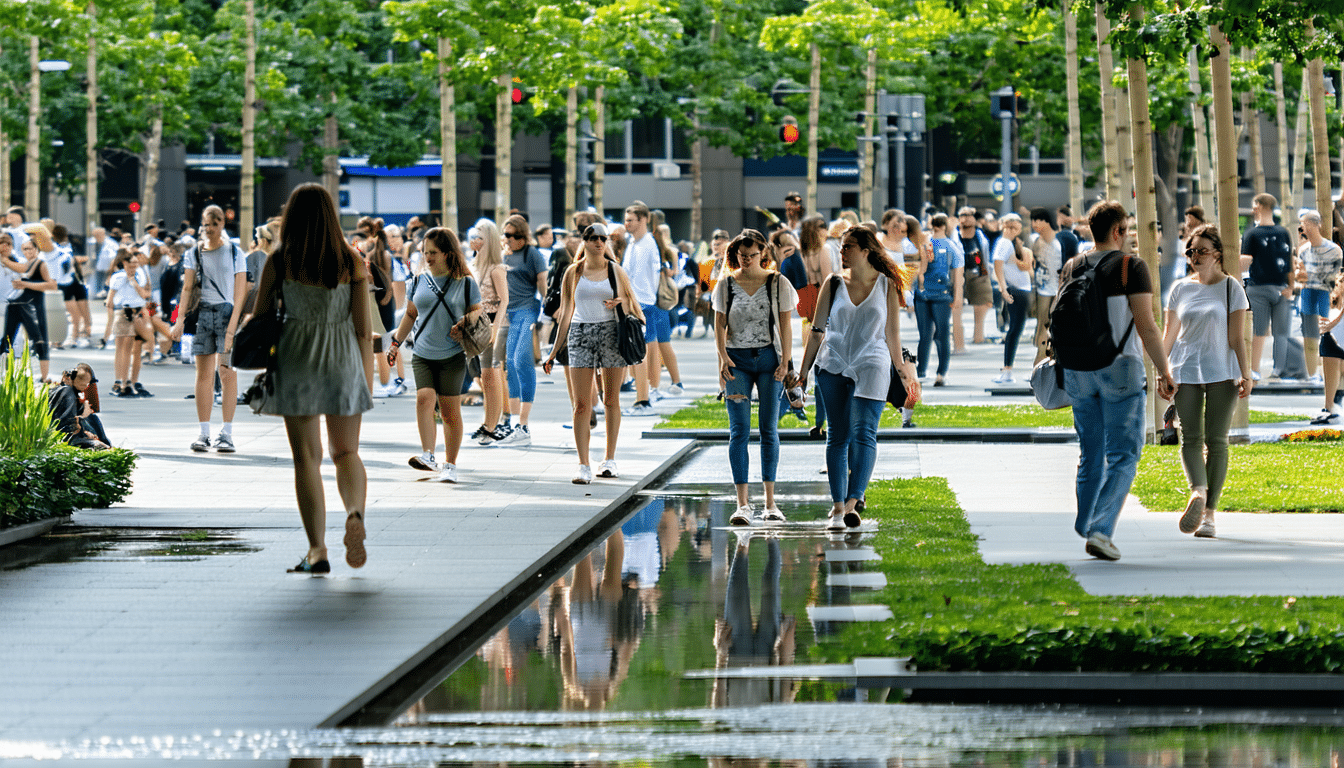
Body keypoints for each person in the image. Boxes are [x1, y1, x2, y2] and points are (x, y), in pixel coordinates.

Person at [253, 183, 374, 574]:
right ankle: (354, 513)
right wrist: (366, 380)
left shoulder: (280, 259)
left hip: (296, 359)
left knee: (306, 459)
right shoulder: (352, 260)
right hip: (343, 359)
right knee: (346, 452)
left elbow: (261, 318)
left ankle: (317, 550)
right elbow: (363, 329)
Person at [1060, 200, 1176, 562]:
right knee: (1124, 454)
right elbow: (1146, 325)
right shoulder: (1131, 266)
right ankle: (1100, 529)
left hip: (1077, 369)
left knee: (1090, 451)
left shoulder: (1073, 265)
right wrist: (1164, 371)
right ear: (1117, 231)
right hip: (1120, 367)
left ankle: (1087, 522)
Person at [798, 226, 916, 531]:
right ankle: (838, 506)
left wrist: (902, 373)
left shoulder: (887, 284)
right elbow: (817, 330)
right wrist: (803, 371)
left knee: (864, 432)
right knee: (838, 436)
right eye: (841, 246)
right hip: (833, 361)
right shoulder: (834, 282)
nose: (842, 252)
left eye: (848, 246)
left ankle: (853, 502)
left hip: (872, 362)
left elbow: (892, 334)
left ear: (866, 250)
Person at [1163, 225, 1252, 540]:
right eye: (1191, 251)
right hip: (1185, 370)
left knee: (1217, 441)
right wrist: (1162, 371)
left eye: (1201, 250)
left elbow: (1236, 337)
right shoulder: (1179, 289)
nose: (1195, 256)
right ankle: (1198, 493)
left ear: (1217, 253)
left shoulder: (1231, 288)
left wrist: (1246, 373)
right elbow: (1169, 336)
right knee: (1190, 438)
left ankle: (1210, 516)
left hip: (1222, 372)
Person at [542, 223, 643, 484]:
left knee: (611, 400)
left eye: (602, 238)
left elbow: (633, 303)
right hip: (580, 334)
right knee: (581, 404)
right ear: (584, 241)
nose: (599, 242)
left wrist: (621, 302)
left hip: (611, 333)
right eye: (593, 238)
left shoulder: (615, 270)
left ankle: (609, 459)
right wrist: (554, 351)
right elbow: (566, 312)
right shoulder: (573, 272)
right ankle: (583, 464)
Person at [713, 229, 796, 525]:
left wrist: (786, 361)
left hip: (769, 359)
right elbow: (719, 324)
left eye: (752, 255)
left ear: (763, 253)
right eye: (741, 255)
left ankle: (770, 503)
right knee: (739, 430)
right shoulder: (726, 284)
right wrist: (722, 357)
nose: (746, 260)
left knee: (768, 429)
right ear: (734, 254)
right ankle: (743, 505)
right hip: (737, 361)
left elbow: (786, 325)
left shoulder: (777, 282)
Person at [387, 227, 482, 483]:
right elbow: (410, 314)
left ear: (447, 253)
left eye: (433, 253)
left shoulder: (465, 282)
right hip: (423, 353)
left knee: (450, 411)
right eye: (425, 252)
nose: (427, 257)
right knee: (424, 399)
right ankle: (428, 455)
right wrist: (395, 343)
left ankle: (450, 464)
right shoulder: (418, 281)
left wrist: (464, 322)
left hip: (452, 354)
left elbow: (477, 312)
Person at [171, 205, 248, 453]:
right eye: (206, 224)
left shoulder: (235, 252)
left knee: (227, 373)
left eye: (215, 223)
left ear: (222, 224)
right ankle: (204, 433)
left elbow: (240, 294)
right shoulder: (194, 252)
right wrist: (179, 320)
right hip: (203, 314)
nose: (210, 228)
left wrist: (232, 329)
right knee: (203, 374)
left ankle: (227, 433)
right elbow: (187, 288)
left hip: (227, 314)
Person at [621, 202, 683, 416]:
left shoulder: (646, 244)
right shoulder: (634, 243)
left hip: (642, 304)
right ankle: (645, 396)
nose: (626, 224)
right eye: (626, 220)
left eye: (630, 220)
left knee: (643, 352)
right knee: (645, 350)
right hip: (638, 303)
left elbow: (639, 280)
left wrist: (634, 303)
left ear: (643, 220)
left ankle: (644, 400)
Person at [1239, 193, 1295, 381]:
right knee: (1281, 332)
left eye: (1255, 205)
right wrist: (1291, 286)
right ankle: (1278, 371)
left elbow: (1246, 260)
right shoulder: (1284, 232)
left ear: (1260, 205)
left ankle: (1255, 370)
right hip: (1281, 287)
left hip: (1258, 287)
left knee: (1258, 330)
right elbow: (1289, 261)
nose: (1253, 209)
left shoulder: (1251, 234)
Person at [469, 218, 510, 444]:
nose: (475, 240)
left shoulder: (496, 268)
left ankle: (491, 426)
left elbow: (504, 300)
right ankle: (488, 423)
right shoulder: (474, 265)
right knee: (484, 377)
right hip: (476, 324)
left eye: (479, 237)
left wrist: (496, 327)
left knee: (491, 376)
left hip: (494, 323)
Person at [914, 213, 962, 387]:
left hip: (922, 293)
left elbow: (918, 270)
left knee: (924, 334)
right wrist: (957, 296)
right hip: (942, 293)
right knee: (942, 334)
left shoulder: (924, 243)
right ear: (945, 226)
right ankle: (941, 373)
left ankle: (921, 371)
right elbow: (957, 273)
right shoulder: (953, 246)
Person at [1, 234, 56, 382]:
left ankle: (45, 377)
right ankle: (7, 376)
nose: (28, 251)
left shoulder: (40, 264)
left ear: (37, 249)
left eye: (30, 248)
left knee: (40, 340)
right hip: (15, 305)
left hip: (33, 306)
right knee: (7, 341)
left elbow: (52, 285)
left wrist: (26, 284)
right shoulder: (24, 263)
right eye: (25, 249)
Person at [1296, 210, 1342, 384]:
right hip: (1308, 293)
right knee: (1309, 336)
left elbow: (1334, 277)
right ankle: (1312, 374)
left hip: (1326, 294)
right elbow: (1300, 275)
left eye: (1304, 224)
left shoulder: (1334, 250)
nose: (1302, 228)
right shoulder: (1303, 250)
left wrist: (1309, 275)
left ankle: (1327, 373)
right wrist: (1306, 276)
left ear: (1315, 225)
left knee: (1327, 334)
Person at [990, 213, 1033, 384]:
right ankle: (1007, 370)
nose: (1012, 230)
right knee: (1014, 329)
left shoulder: (1009, 243)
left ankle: (1007, 370)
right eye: (1009, 226)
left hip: (1020, 290)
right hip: (1016, 290)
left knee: (1015, 329)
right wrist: (1003, 288)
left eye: (1015, 227)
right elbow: (998, 264)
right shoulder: (1004, 243)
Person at [952, 206, 993, 350]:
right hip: (958, 274)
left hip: (978, 271)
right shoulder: (953, 236)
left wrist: (986, 272)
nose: (965, 218)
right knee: (956, 307)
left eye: (969, 215)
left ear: (975, 219)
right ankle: (958, 341)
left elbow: (986, 256)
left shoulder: (981, 236)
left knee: (984, 302)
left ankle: (978, 336)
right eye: (962, 215)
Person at [1029, 207, 1063, 365]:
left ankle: (1042, 359)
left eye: (1038, 220)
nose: (1034, 223)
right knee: (1042, 324)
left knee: (1048, 325)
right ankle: (1041, 359)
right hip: (1042, 288)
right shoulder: (1036, 240)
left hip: (1055, 289)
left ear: (1047, 221)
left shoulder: (1057, 242)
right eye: (1033, 220)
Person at [49, 366, 109, 450]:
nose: (85, 387)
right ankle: (105, 444)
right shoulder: (67, 391)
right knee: (101, 445)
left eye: (86, 385)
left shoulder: (69, 392)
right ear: (68, 379)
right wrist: (84, 431)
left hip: (71, 432)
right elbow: (66, 425)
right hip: (65, 437)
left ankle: (105, 443)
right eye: (82, 385)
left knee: (92, 417)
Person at [1314, 278, 1344, 425]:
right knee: (1332, 374)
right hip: (1332, 340)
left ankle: (1332, 407)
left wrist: (1329, 326)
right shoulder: (1331, 301)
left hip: (1336, 339)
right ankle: (1330, 407)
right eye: (1338, 283)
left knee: (1338, 374)